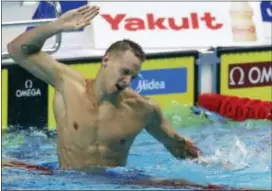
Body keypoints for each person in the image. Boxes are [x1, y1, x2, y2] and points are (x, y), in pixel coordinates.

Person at [7, 4, 201, 171]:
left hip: (114, 183)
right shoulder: (68, 84)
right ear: (106, 60)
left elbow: (177, 145)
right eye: (124, 71)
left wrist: (211, 162)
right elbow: (16, 49)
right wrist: (55, 26)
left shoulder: (143, 109)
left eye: (132, 76)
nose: (126, 81)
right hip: (67, 181)